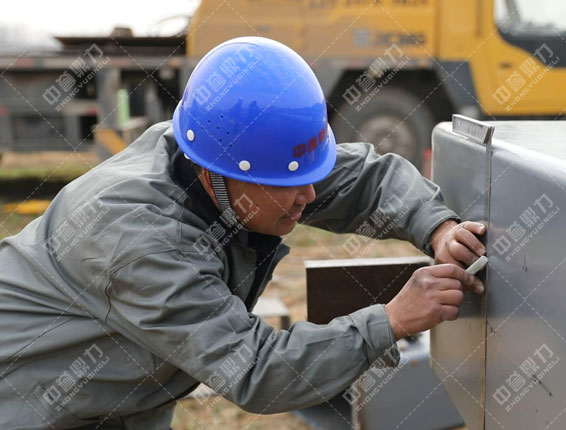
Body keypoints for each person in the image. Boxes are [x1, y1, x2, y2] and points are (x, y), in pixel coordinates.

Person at [0, 36, 485, 429]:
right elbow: (254, 370)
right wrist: (390, 321)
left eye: (308, 177)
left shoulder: (228, 153)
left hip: (116, 393)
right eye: (289, 185)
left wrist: (438, 227)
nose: (310, 196)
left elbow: (366, 178)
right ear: (222, 175)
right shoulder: (139, 238)